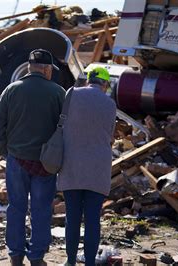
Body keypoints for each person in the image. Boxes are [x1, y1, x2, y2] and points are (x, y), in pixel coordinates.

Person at [0, 49, 66, 266]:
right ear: (47, 69)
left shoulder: (12, 90)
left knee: (16, 207)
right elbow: (67, 129)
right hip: (46, 163)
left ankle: (15, 255)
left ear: (30, 68)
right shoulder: (58, 92)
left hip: (17, 159)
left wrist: (5, 151)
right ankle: (37, 257)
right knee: (41, 209)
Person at [57, 67, 117, 266]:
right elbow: (109, 136)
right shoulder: (110, 104)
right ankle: (90, 262)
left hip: (71, 165)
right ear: (105, 84)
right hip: (98, 168)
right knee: (92, 219)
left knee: (72, 217)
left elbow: (61, 123)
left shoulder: (71, 93)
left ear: (88, 80)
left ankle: (71, 260)